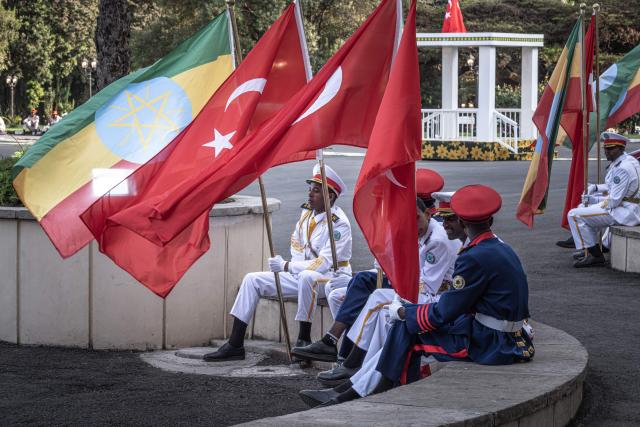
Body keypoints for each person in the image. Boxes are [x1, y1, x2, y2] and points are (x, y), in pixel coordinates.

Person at [300, 185, 533, 406]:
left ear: (462, 221)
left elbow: (444, 312)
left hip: (493, 343)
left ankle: (361, 389)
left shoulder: (473, 256)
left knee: (406, 327)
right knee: (403, 323)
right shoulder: (495, 247)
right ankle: (356, 387)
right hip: (498, 332)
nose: (445, 224)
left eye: (449, 219)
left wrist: (404, 311)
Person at [309, 192, 466, 388]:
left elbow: (426, 286)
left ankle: (353, 364)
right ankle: (353, 365)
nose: (412, 225)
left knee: (378, 299)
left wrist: (394, 280)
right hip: (425, 292)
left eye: (416, 217)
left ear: (427, 213)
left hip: (438, 298)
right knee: (355, 297)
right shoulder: (422, 232)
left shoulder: (437, 240)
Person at [203, 164, 352, 361]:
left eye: (316, 191)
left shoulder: (339, 223)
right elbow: (296, 245)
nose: (310, 194)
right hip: (302, 275)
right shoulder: (306, 214)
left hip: (331, 278)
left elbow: (323, 264)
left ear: (330, 196)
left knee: (308, 277)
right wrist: (294, 268)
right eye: (310, 189)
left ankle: (303, 340)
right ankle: (235, 344)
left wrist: (287, 267)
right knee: (252, 280)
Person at [568, 132, 640, 267]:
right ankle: (591, 248)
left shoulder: (623, 168)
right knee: (583, 209)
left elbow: (614, 201)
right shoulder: (625, 161)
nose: (607, 152)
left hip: (625, 212)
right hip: (626, 207)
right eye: (606, 148)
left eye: (611, 148)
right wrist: (595, 188)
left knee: (574, 214)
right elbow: (614, 187)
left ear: (621, 148)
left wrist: (595, 200)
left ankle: (594, 255)